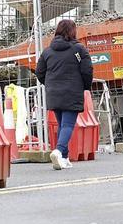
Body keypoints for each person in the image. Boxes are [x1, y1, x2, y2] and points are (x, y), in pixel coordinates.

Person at [36, 19, 94, 170]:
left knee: (62, 125)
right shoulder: (78, 50)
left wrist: (50, 84)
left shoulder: (47, 51)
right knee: (68, 125)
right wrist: (85, 86)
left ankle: (65, 158)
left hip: (53, 93)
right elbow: (87, 70)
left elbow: (39, 72)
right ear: (73, 31)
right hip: (72, 91)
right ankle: (58, 151)